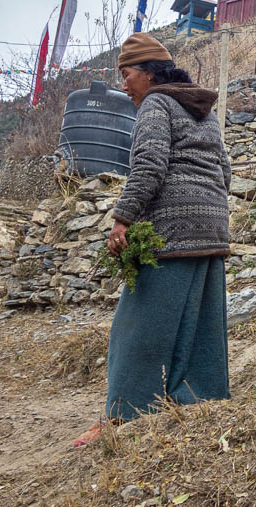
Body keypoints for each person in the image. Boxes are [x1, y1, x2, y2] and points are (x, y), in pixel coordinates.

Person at [73, 33, 231, 446]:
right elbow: (224, 171)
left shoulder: (157, 104)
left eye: (126, 74)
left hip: (172, 227)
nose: (124, 85)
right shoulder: (204, 111)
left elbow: (149, 165)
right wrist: (207, 208)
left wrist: (123, 218)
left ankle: (124, 415)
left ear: (147, 72)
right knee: (199, 324)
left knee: (137, 324)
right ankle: (199, 400)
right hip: (212, 225)